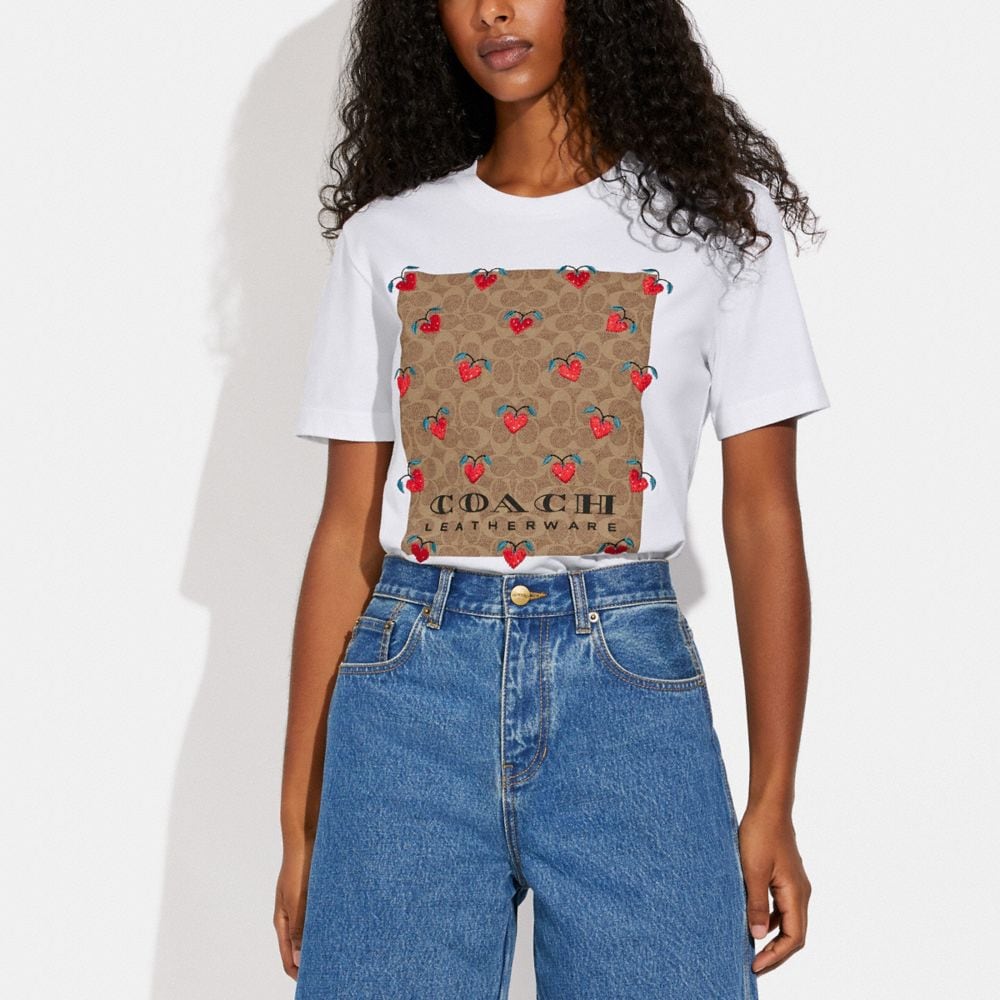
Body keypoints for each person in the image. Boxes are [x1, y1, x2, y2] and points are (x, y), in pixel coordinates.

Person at [275, 2, 830, 997]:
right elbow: (346, 531)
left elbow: (762, 517)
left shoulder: (715, 229)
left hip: (627, 697)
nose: (493, 9)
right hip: (408, 699)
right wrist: (300, 821)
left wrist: (773, 798)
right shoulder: (386, 238)